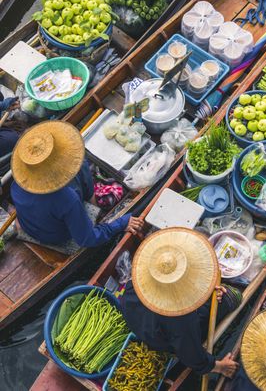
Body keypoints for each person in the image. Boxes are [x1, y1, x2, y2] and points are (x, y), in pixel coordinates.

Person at [122, 228, 240, 379]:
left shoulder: (140, 275)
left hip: (141, 320)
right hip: (160, 337)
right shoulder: (180, 315)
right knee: (232, 297)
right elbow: (191, 355)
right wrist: (219, 366)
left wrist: (208, 293)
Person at [10, 121, 143, 252]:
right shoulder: (67, 198)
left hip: (30, 225)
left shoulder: (17, 183)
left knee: (82, 167)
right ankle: (95, 205)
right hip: (56, 237)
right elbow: (88, 239)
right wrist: (121, 224)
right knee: (83, 168)